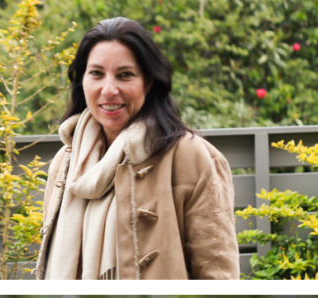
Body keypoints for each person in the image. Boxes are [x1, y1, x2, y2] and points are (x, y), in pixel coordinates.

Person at [35, 18, 240, 280]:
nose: (109, 90)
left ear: (149, 81)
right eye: (96, 73)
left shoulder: (194, 159)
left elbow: (219, 278)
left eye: (125, 75)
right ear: (82, 81)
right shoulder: (63, 164)